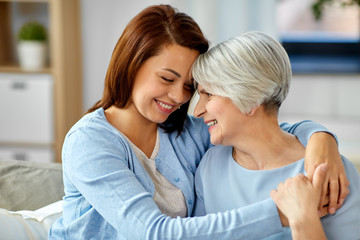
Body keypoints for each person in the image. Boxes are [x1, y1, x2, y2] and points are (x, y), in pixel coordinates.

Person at [49, 5, 347, 239]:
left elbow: (262, 127)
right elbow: (152, 233)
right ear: (132, 63)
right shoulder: (89, 142)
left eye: (190, 86)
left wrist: (321, 139)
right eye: (167, 78)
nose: (180, 97)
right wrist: (282, 213)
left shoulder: (189, 134)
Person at [192, 31, 360, 239]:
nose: (197, 111)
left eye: (208, 94)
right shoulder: (209, 166)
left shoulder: (329, 172)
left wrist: (303, 219)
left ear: (250, 97)